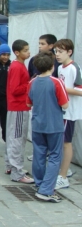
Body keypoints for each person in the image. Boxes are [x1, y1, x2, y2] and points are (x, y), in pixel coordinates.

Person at [27, 51, 68, 203]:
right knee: (55, 156)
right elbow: (65, 104)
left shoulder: (32, 83)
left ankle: (39, 183)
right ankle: (46, 190)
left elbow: (28, 103)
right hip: (54, 124)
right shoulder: (57, 82)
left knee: (39, 154)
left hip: (37, 123)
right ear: (52, 66)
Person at [54, 39, 82, 190]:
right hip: (62, 110)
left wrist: (61, 88)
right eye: (56, 51)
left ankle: (63, 176)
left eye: (60, 51)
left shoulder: (74, 68)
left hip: (70, 112)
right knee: (61, 142)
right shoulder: (60, 68)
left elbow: (80, 90)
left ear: (69, 52)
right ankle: (64, 170)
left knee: (66, 142)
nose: (57, 55)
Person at [5, 39, 34, 184]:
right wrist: (29, 84)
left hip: (17, 107)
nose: (28, 52)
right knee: (17, 138)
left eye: (28, 50)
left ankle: (10, 165)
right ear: (17, 53)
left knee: (13, 137)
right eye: (25, 50)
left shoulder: (18, 65)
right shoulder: (17, 67)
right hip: (18, 107)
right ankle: (17, 172)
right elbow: (15, 89)